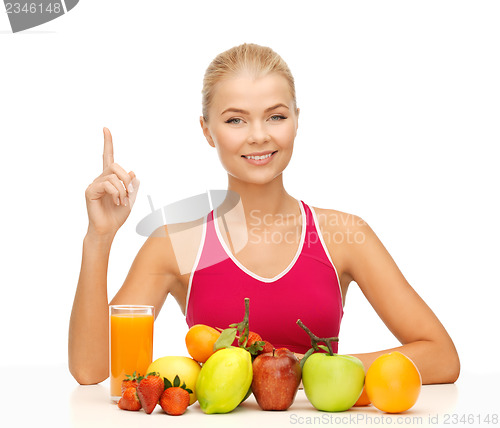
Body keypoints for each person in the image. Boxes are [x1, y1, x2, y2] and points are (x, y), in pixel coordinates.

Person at [68, 43, 460, 386]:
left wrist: (312, 369)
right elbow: (91, 369)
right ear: (207, 131)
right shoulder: (174, 244)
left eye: (275, 116)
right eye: (235, 119)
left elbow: (441, 356)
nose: (258, 135)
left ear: (296, 119)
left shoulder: (343, 234)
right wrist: (98, 238)